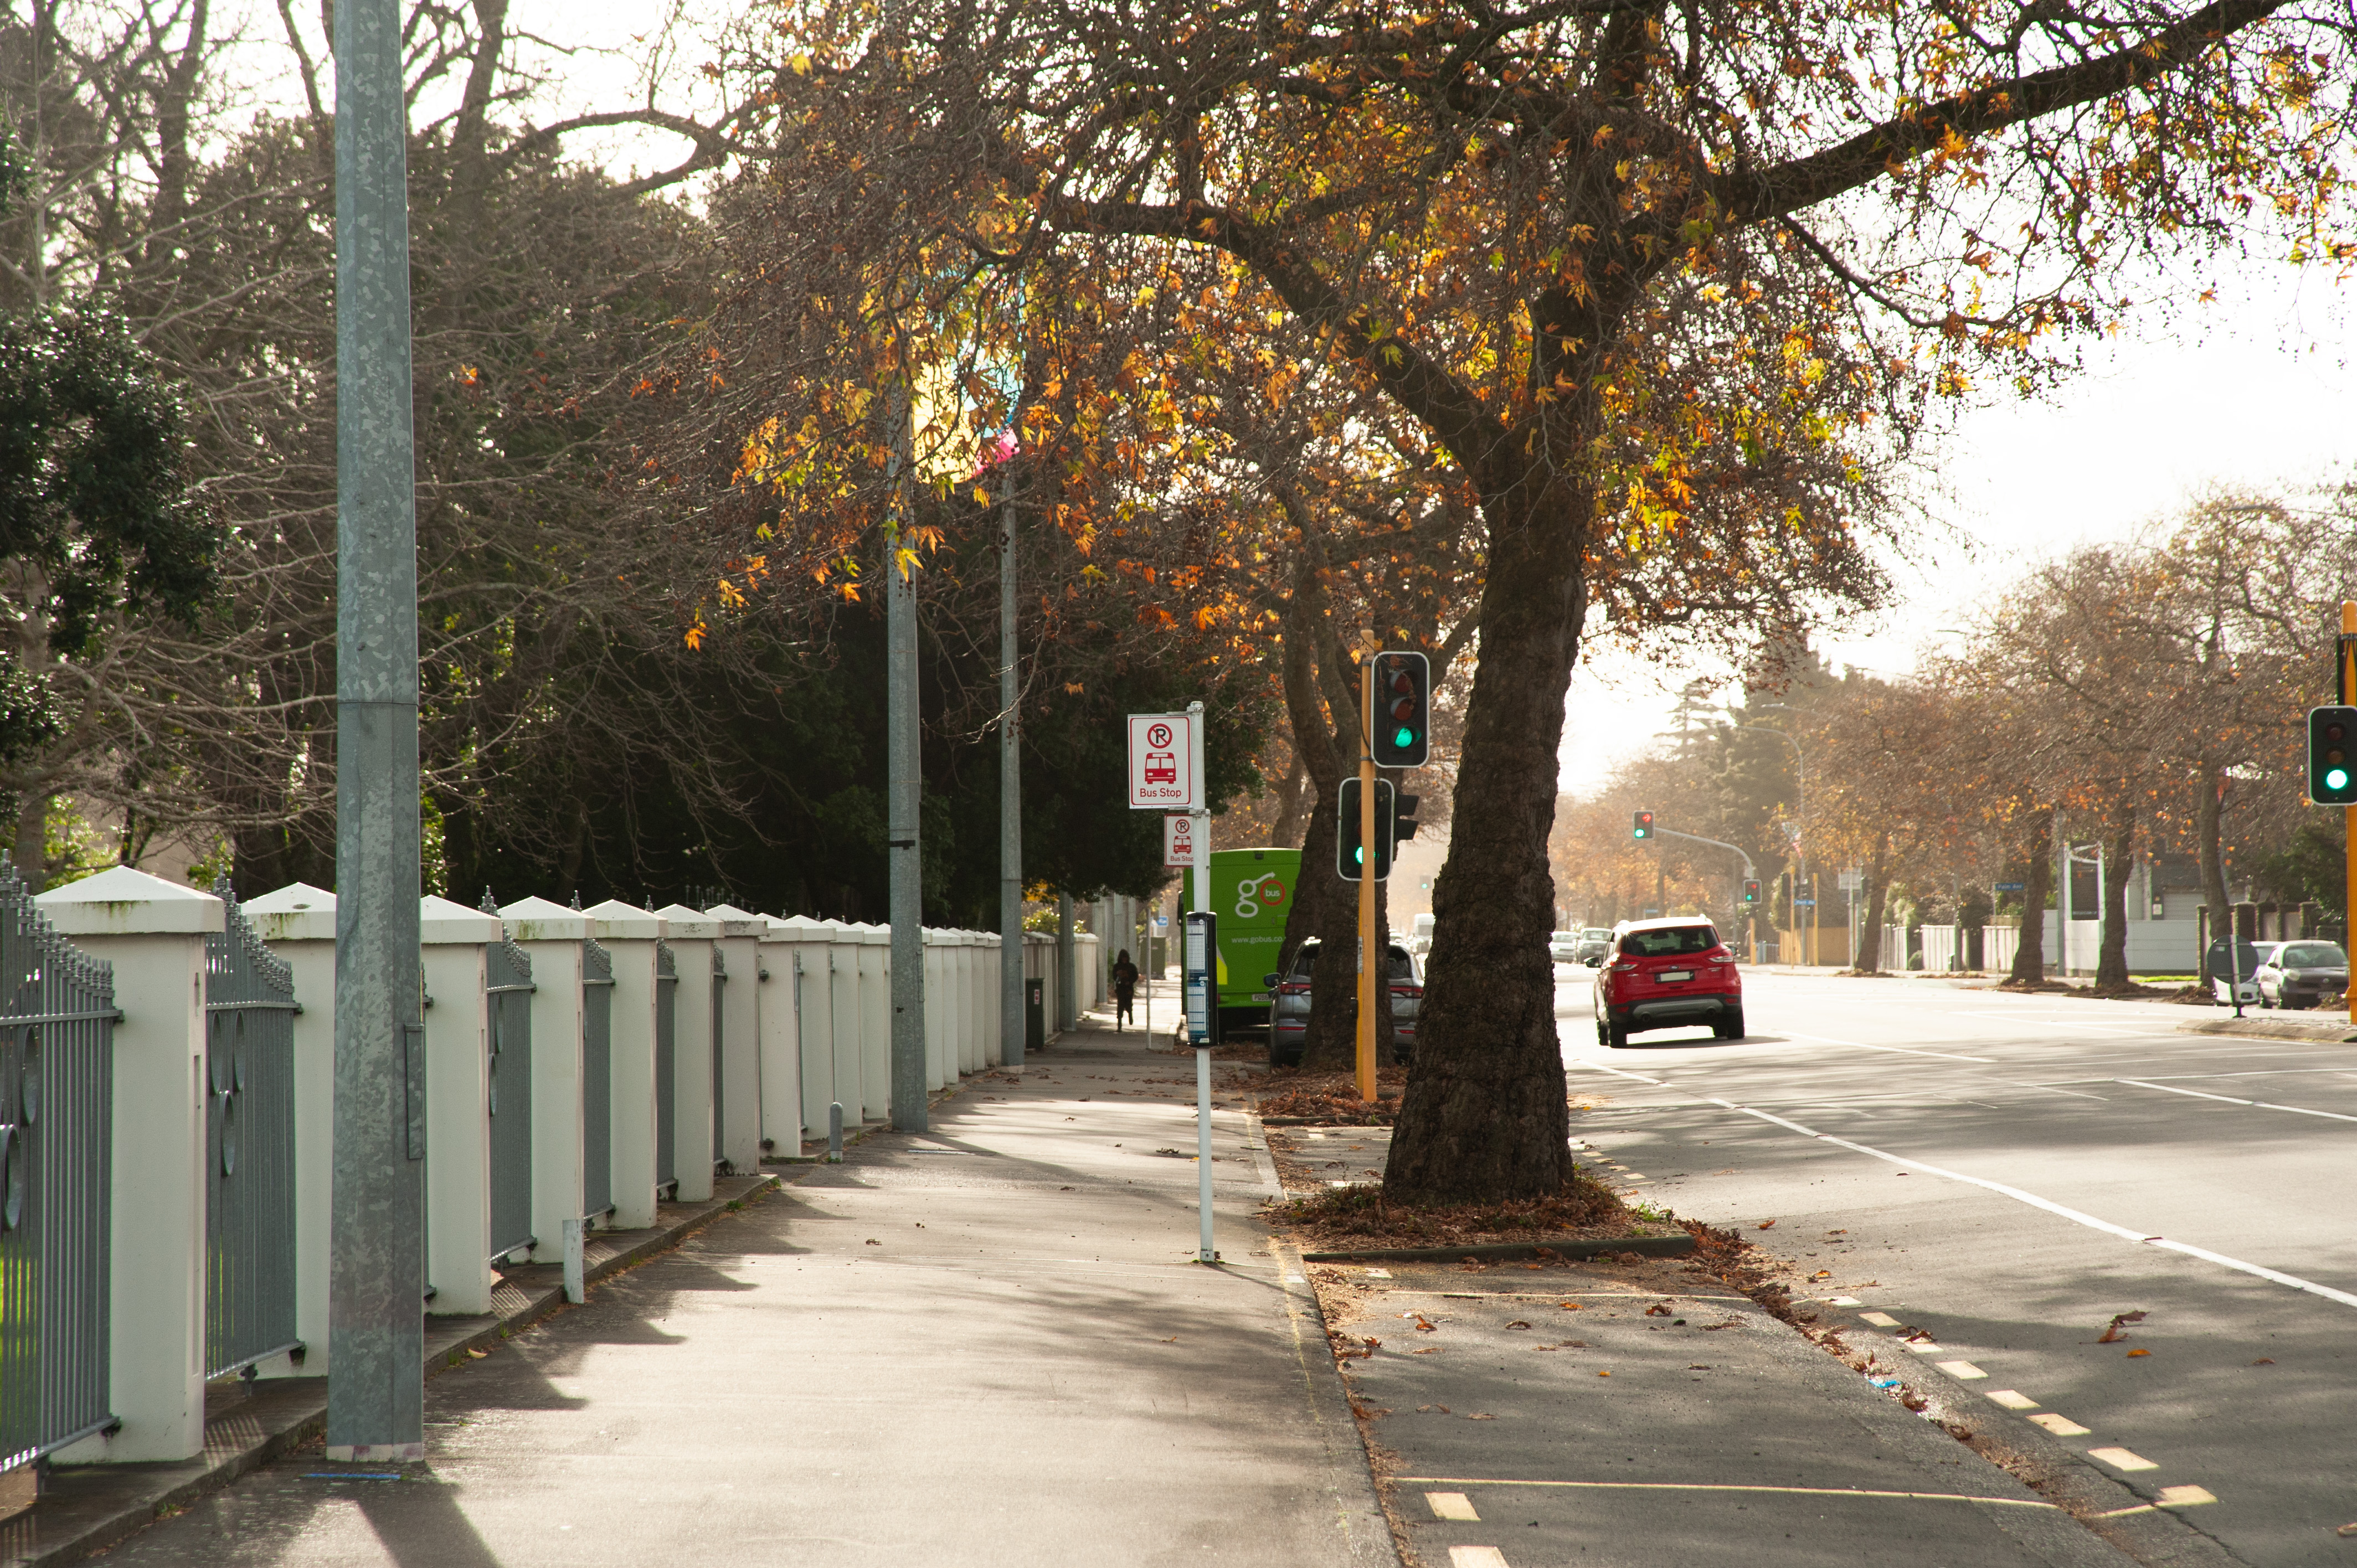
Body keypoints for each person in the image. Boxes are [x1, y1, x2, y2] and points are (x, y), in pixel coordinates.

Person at [1111, 949, 1140, 1030]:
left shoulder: (1131, 967)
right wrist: (1118, 975)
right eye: (1123, 958)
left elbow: (1136, 976)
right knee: (1120, 1005)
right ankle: (1119, 1024)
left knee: (1128, 1003)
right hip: (1120, 988)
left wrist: (1130, 982)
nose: (1124, 960)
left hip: (1129, 989)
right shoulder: (1117, 967)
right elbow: (1114, 977)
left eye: (1125, 958)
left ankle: (1130, 1013)